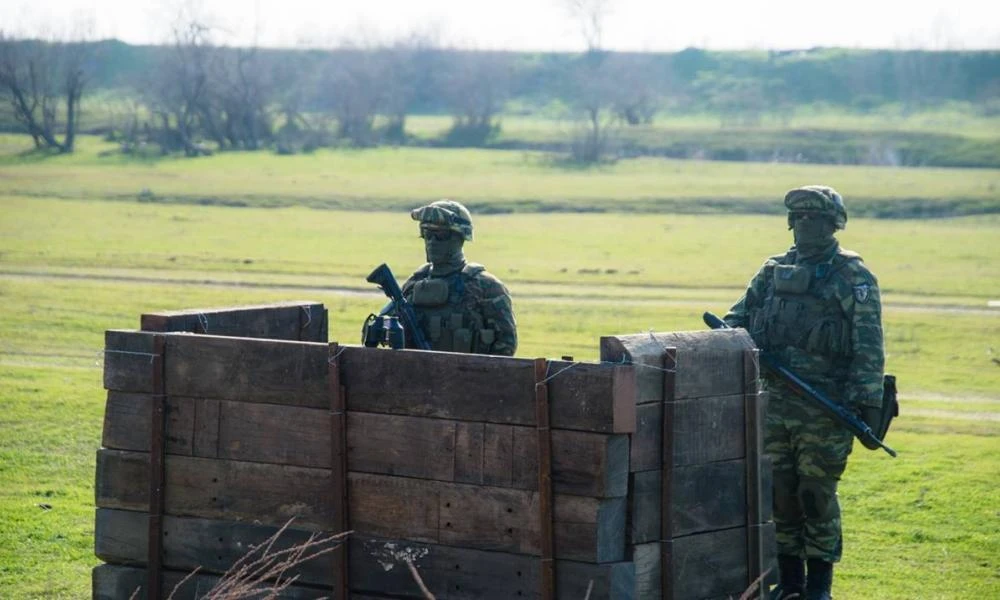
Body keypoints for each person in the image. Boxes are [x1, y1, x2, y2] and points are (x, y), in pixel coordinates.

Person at [723, 186, 885, 600]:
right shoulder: (773, 270)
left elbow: (869, 346)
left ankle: (819, 586)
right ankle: (790, 582)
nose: (806, 225)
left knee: (816, 494)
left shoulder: (853, 276)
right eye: (800, 218)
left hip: (825, 408)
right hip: (774, 402)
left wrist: (865, 403)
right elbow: (735, 320)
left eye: (816, 218)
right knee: (780, 494)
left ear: (835, 224)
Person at [394, 199, 517, 356]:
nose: (432, 242)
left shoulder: (486, 287)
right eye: (427, 234)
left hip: (469, 371)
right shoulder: (413, 285)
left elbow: (506, 347)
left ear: (460, 238)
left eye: (441, 235)